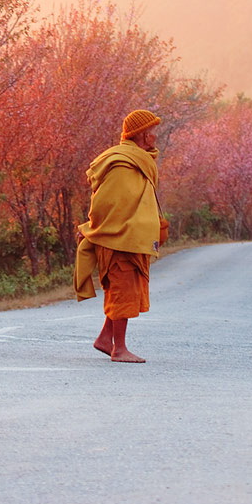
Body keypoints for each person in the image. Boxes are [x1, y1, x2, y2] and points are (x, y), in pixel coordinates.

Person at [73, 109, 167, 363]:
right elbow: (107, 203)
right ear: (142, 134)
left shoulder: (138, 160)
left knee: (122, 290)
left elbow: (138, 200)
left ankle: (105, 338)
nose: (155, 136)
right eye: (152, 131)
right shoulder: (122, 162)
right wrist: (94, 228)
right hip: (118, 238)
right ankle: (119, 349)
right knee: (121, 290)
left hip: (131, 237)